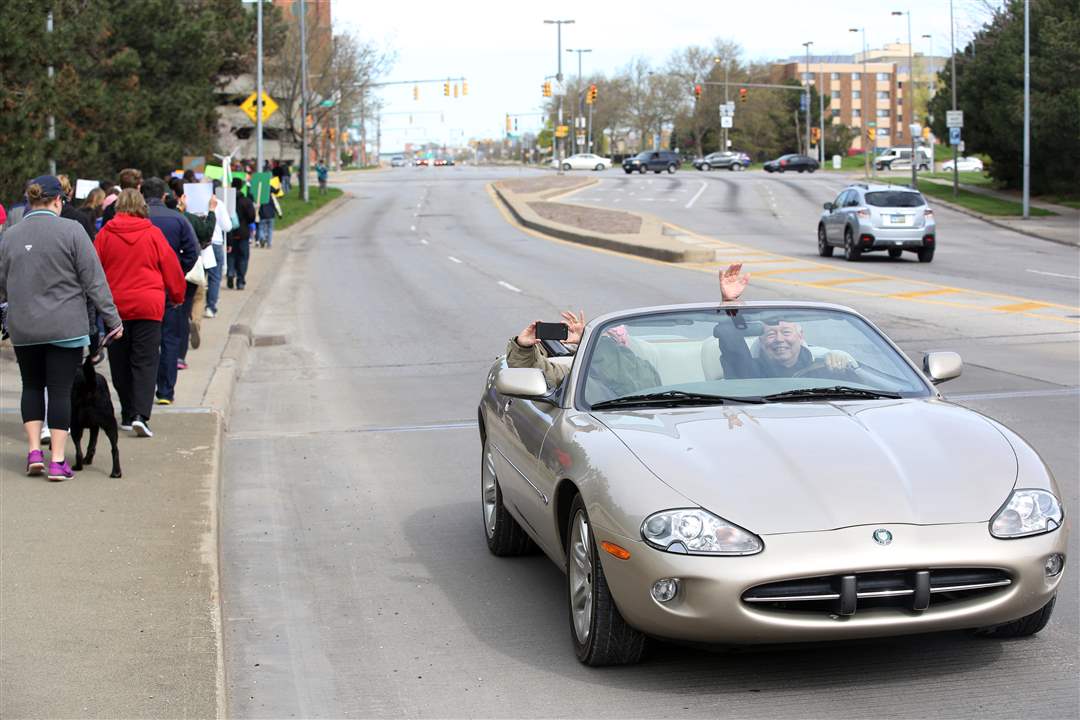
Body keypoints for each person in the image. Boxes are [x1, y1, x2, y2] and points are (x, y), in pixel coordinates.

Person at [0, 176, 121, 480]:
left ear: (30, 201)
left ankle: (33, 452)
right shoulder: (73, 230)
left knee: (31, 386)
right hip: (65, 326)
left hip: (24, 326)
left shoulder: (10, 235)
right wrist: (112, 319)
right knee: (60, 391)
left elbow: (3, 283)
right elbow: (94, 279)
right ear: (58, 201)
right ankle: (56, 460)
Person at [94, 189, 186, 436]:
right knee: (145, 361)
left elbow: (93, 270)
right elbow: (171, 266)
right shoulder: (152, 234)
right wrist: (177, 296)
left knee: (120, 362)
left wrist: (95, 302)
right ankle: (140, 415)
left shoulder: (105, 235)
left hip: (115, 307)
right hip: (148, 306)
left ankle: (127, 412)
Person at [712, 264, 856, 379]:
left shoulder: (824, 368)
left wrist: (840, 362)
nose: (779, 339)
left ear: (800, 336)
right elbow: (729, 338)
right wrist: (729, 304)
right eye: (771, 334)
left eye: (786, 332)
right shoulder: (748, 371)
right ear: (761, 341)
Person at [142, 177, 198, 405]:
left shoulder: (137, 219)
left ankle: (145, 388)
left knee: (145, 340)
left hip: (143, 286)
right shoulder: (178, 218)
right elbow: (192, 252)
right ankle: (165, 390)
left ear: (142, 194)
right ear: (165, 196)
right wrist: (177, 270)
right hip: (169, 286)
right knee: (170, 338)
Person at [227, 177, 256, 289]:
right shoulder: (246, 201)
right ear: (241, 187)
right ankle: (240, 280)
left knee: (231, 255)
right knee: (243, 257)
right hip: (243, 233)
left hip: (230, 233)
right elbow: (252, 217)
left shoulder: (227, 201)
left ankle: (230, 272)